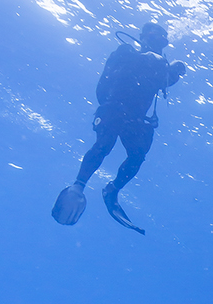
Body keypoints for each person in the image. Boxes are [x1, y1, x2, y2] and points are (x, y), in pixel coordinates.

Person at [51, 22, 186, 233]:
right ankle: (78, 186)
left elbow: (164, 83)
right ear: (142, 38)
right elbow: (113, 74)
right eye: (152, 37)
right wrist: (149, 59)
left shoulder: (160, 66)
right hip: (113, 109)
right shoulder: (126, 51)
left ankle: (112, 189)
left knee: (137, 156)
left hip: (136, 119)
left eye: (161, 40)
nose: (156, 43)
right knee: (104, 145)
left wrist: (175, 72)